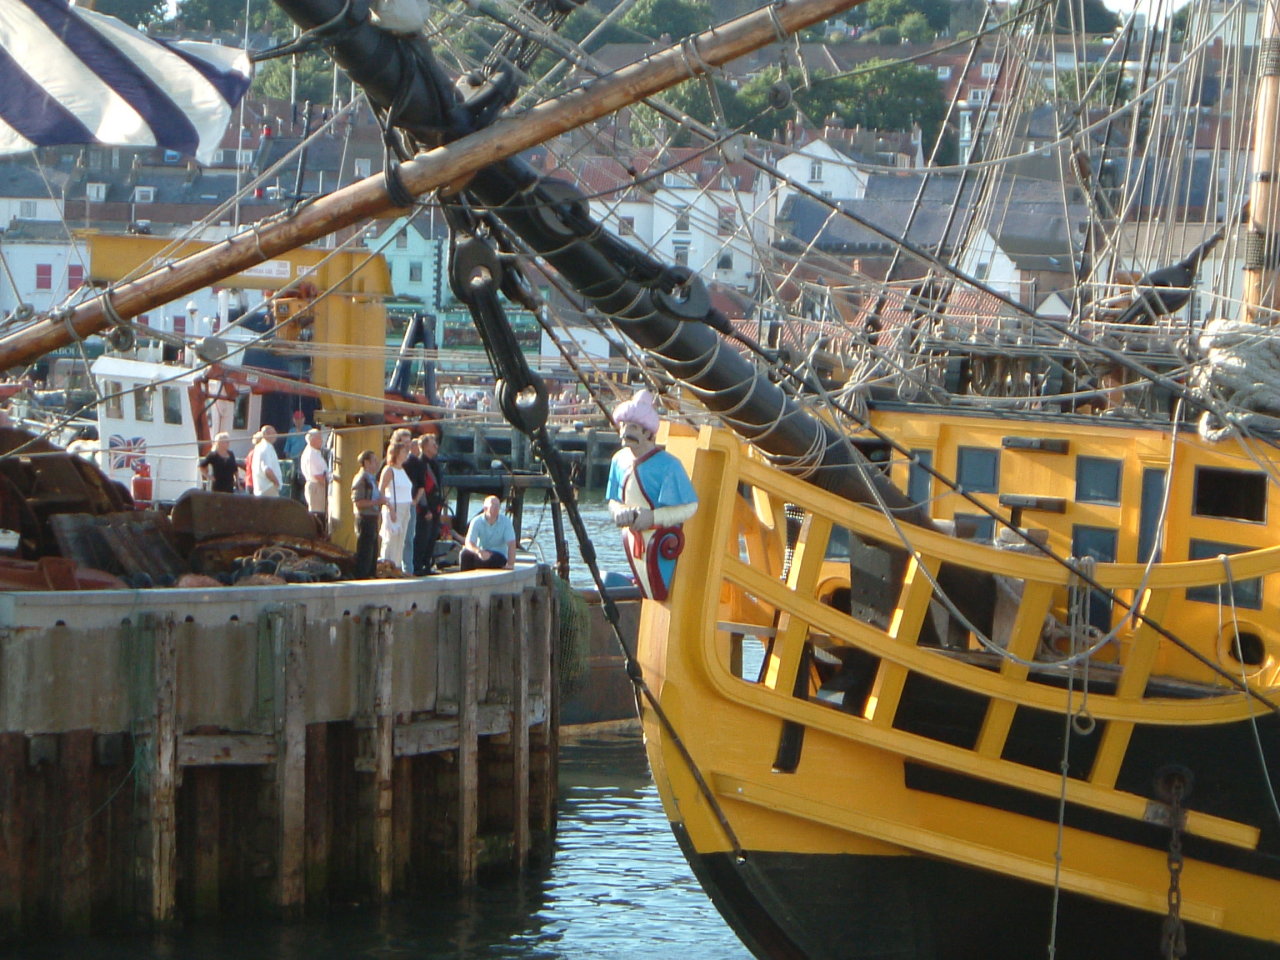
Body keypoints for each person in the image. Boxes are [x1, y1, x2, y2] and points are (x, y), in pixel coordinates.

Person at [605, 389, 698, 600]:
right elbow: (613, 500)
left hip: (661, 540)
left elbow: (690, 506)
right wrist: (618, 511)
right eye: (623, 426)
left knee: (657, 589)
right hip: (633, 537)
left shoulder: (669, 465)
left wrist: (653, 517)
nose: (625, 432)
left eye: (633, 427)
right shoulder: (619, 460)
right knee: (647, 587)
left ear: (648, 433)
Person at [378, 440, 413, 572]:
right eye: (404, 451)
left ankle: (397, 566)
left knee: (401, 539)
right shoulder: (389, 470)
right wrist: (389, 508)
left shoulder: (402, 470)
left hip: (405, 508)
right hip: (394, 507)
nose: (406, 453)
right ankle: (386, 565)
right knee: (391, 538)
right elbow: (381, 490)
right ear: (396, 453)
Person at [350, 449, 384, 579]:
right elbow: (358, 502)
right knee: (365, 550)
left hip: (373, 517)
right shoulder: (361, 479)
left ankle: (371, 574)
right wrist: (376, 502)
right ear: (366, 463)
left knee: (373, 549)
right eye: (374, 461)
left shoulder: (371, 479)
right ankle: (362, 576)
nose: (377, 463)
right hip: (364, 518)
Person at [460, 494, 517, 571]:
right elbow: (469, 542)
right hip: (482, 552)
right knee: (464, 554)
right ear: (485, 508)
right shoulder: (476, 521)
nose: (496, 508)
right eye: (493, 506)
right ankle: (465, 576)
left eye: (498, 506)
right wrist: (478, 551)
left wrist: (510, 564)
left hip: (499, 554)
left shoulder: (506, 522)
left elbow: (511, 544)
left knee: (490, 561)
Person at [414, 432, 444, 574]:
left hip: (435, 506)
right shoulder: (420, 463)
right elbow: (420, 488)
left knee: (432, 537)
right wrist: (425, 508)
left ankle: (427, 565)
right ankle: (418, 566)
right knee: (422, 538)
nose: (436, 446)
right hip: (425, 509)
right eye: (433, 444)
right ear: (425, 447)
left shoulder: (434, 463)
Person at [398, 430, 425, 575]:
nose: (407, 445)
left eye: (409, 442)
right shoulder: (390, 462)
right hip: (395, 505)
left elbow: (421, 485)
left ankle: (408, 569)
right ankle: (392, 566)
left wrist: (415, 501)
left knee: (408, 538)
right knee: (392, 537)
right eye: (404, 442)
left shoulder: (416, 462)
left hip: (409, 504)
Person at [299, 428, 331, 534]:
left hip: (318, 485)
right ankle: (317, 535)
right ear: (312, 440)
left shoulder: (315, 452)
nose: (322, 440)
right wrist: (328, 487)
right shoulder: (311, 454)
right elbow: (317, 475)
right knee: (318, 514)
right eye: (319, 438)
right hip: (317, 487)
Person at [283, 410, 308, 500]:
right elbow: (287, 449)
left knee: (304, 481)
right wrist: (289, 460)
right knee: (293, 482)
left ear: (304, 419)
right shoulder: (291, 431)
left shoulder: (308, 429)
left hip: (304, 461)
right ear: (293, 420)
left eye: (300, 419)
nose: (298, 422)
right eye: (296, 419)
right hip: (293, 461)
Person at [251, 425, 282, 497]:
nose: (275, 435)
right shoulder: (266, 447)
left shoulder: (259, 447)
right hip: (268, 487)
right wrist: (276, 483)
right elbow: (267, 470)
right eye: (273, 433)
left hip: (260, 488)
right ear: (265, 434)